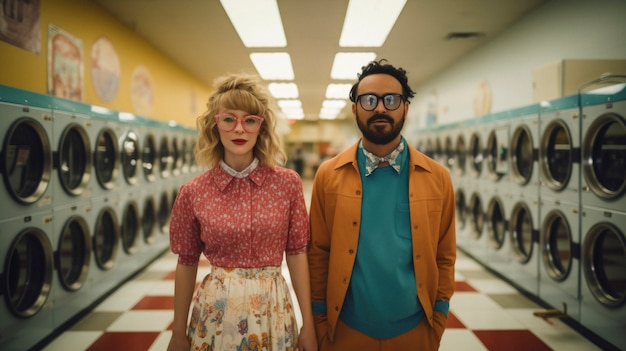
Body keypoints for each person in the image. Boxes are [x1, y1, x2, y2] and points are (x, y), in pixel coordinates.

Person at [307, 59, 456, 350]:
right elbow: (318, 253)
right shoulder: (329, 175)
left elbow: (445, 254)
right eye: (369, 100)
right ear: (355, 108)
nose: (380, 108)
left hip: (416, 330)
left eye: (391, 100)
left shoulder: (437, 177)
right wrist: (319, 321)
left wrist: (438, 317)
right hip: (345, 330)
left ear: (405, 108)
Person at [167, 73, 317, 351]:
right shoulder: (194, 191)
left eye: (249, 120)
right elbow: (186, 261)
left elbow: (297, 253)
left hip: (273, 311)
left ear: (261, 127)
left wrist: (308, 323)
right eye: (228, 119)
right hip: (217, 312)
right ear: (215, 125)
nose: (239, 129)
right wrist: (178, 332)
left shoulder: (287, 184)